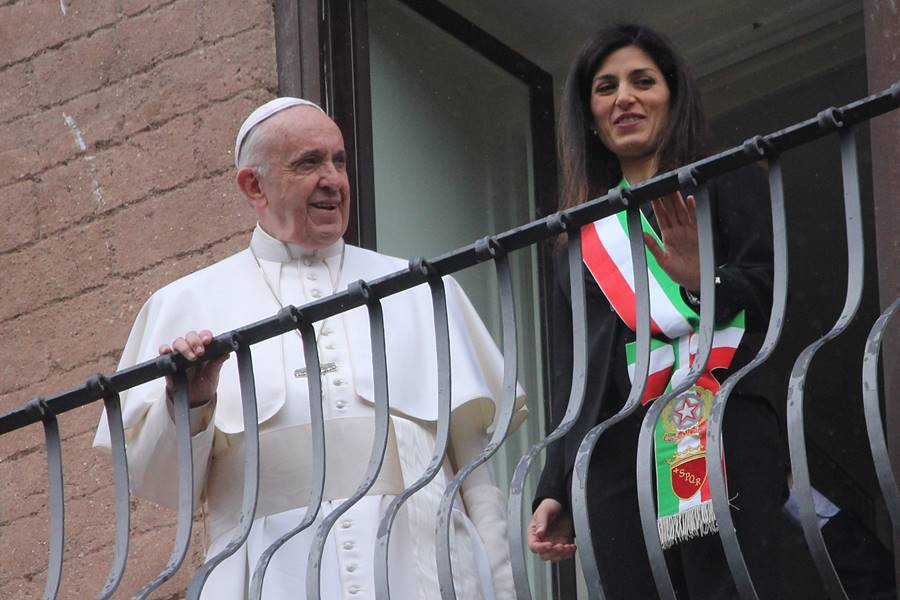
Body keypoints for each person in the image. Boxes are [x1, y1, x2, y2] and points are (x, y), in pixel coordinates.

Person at [93, 97, 524, 599]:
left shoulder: (418, 287)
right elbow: (166, 485)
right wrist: (190, 401)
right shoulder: (187, 303)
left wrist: (505, 589)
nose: (334, 180)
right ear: (254, 186)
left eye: (339, 161)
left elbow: (477, 479)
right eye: (309, 163)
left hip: (424, 575)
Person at [527, 24, 788, 599]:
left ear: (672, 95)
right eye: (606, 88)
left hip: (721, 424)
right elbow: (573, 375)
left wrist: (703, 283)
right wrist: (557, 483)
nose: (624, 97)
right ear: (591, 116)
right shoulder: (578, 241)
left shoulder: (731, 178)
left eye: (642, 81)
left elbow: (775, 293)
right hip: (616, 457)